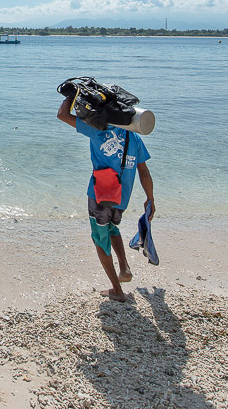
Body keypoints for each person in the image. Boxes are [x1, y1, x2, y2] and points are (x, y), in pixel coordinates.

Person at [58, 94, 155, 302]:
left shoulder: (98, 130)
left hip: (100, 196)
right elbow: (144, 172)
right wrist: (150, 199)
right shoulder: (134, 137)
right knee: (112, 228)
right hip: (122, 197)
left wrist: (71, 96)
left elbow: (62, 115)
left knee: (100, 240)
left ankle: (117, 290)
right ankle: (124, 268)